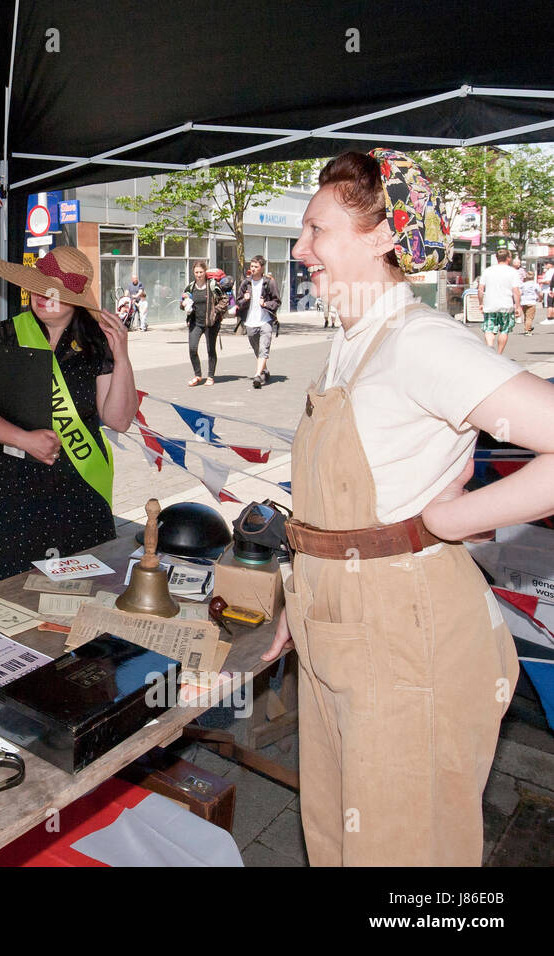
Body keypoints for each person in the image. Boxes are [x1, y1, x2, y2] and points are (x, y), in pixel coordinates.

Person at [263, 147, 554, 866]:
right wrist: (296, 603)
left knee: (402, 855)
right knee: (334, 837)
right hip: (340, 625)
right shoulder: (352, 347)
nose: (301, 250)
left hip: (408, 636)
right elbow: (331, 515)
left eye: (317, 230)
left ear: (384, 235)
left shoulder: (420, 342)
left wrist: (450, 520)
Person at [0, 246, 137, 588]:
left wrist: (122, 356)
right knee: (7, 592)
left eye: (54, 291)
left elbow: (118, 420)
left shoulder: (96, 343)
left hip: (79, 488)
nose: (42, 296)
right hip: (11, 487)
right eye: (38, 285)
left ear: (74, 299)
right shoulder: (4, 335)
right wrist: (24, 439)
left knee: (80, 593)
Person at [237, 255, 282, 388]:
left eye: (256, 266)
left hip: (265, 320)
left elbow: (277, 301)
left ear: (262, 268)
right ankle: (265, 371)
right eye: (252, 266)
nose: (253, 269)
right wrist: (245, 299)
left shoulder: (269, 282)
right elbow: (238, 301)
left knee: (264, 348)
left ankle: (257, 375)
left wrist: (266, 304)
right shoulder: (246, 283)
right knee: (257, 350)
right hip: (251, 322)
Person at [181, 260, 226, 386]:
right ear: (193, 272)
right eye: (196, 272)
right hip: (196, 322)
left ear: (205, 272)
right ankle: (198, 375)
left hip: (211, 323)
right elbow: (183, 300)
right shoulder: (191, 286)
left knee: (211, 349)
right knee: (192, 348)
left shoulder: (212, 285)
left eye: (201, 272)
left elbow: (224, 300)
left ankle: (210, 376)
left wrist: (216, 311)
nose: (199, 274)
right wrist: (183, 304)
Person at [477, 248, 522, 354]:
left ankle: (490, 347)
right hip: (506, 305)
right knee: (504, 330)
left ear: (496, 258)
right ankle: (499, 354)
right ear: (508, 258)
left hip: (490, 304)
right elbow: (516, 291)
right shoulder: (513, 272)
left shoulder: (488, 271)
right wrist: (518, 306)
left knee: (489, 329)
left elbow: (480, 289)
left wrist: (481, 303)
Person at [519, 269, 539, 336]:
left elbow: (520, 293)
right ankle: (528, 330)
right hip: (532, 302)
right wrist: (540, 298)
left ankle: (527, 328)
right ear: (533, 277)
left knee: (526, 316)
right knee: (530, 317)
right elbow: (540, 293)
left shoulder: (523, 285)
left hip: (524, 302)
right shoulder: (535, 284)